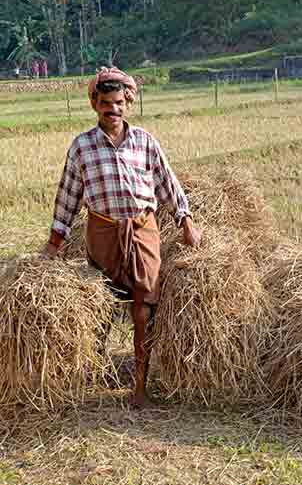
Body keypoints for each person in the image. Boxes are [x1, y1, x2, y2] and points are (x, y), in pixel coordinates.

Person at [43, 67, 201, 407]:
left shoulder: (145, 141)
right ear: (94, 105)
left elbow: (167, 183)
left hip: (143, 231)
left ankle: (140, 386)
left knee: (144, 307)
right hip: (102, 233)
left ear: (127, 102)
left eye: (117, 102)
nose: (111, 109)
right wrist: (54, 243)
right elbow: (68, 196)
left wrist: (185, 220)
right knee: (101, 305)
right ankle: (97, 375)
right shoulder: (82, 146)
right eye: (104, 103)